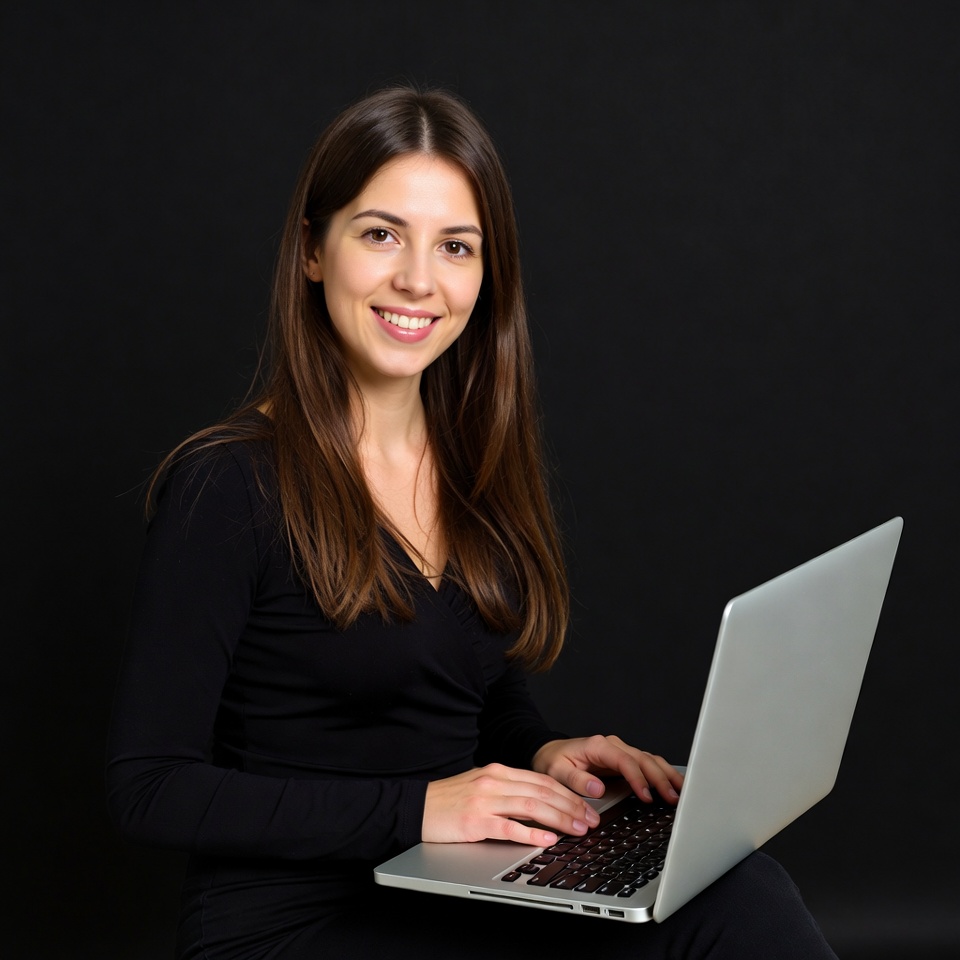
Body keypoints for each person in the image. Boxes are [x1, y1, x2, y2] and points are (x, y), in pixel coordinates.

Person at [106, 86, 838, 959]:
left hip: (451, 884)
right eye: (381, 234)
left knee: (738, 889)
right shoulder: (227, 485)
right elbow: (147, 787)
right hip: (291, 924)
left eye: (455, 246)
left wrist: (544, 753)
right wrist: (417, 808)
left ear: (487, 275)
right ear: (311, 250)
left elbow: (468, 697)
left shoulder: (470, 469)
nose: (418, 280)